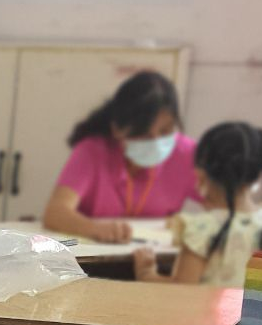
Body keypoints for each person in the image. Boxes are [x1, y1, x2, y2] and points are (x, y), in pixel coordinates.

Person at [41, 70, 197, 244]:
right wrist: (95, 228)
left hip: (157, 255)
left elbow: (220, 198)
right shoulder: (92, 151)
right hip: (95, 251)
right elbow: (55, 213)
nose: (156, 141)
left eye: (165, 131)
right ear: (117, 129)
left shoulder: (187, 154)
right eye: (144, 134)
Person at [135, 121, 262, 287]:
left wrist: (147, 274)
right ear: (257, 174)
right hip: (252, 305)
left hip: (206, 306)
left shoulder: (203, 228)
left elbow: (182, 290)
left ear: (201, 175)